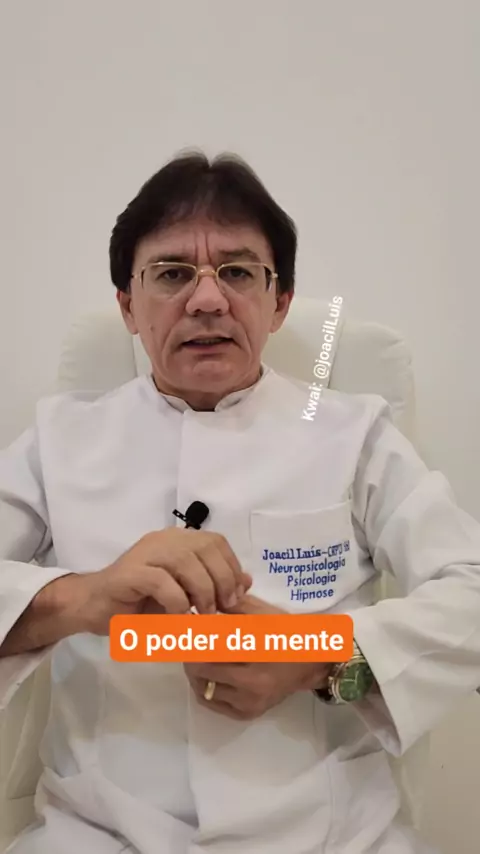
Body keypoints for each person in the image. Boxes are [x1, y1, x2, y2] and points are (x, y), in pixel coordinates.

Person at [0, 151, 479, 854]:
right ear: (128, 306)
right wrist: (80, 598)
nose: (207, 300)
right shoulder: (59, 438)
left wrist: (319, 656)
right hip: (95, 833)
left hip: (334, 838)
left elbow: (471, 593)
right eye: (172, 274)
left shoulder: (355, 434)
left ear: (279, 302)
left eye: (237, 272)